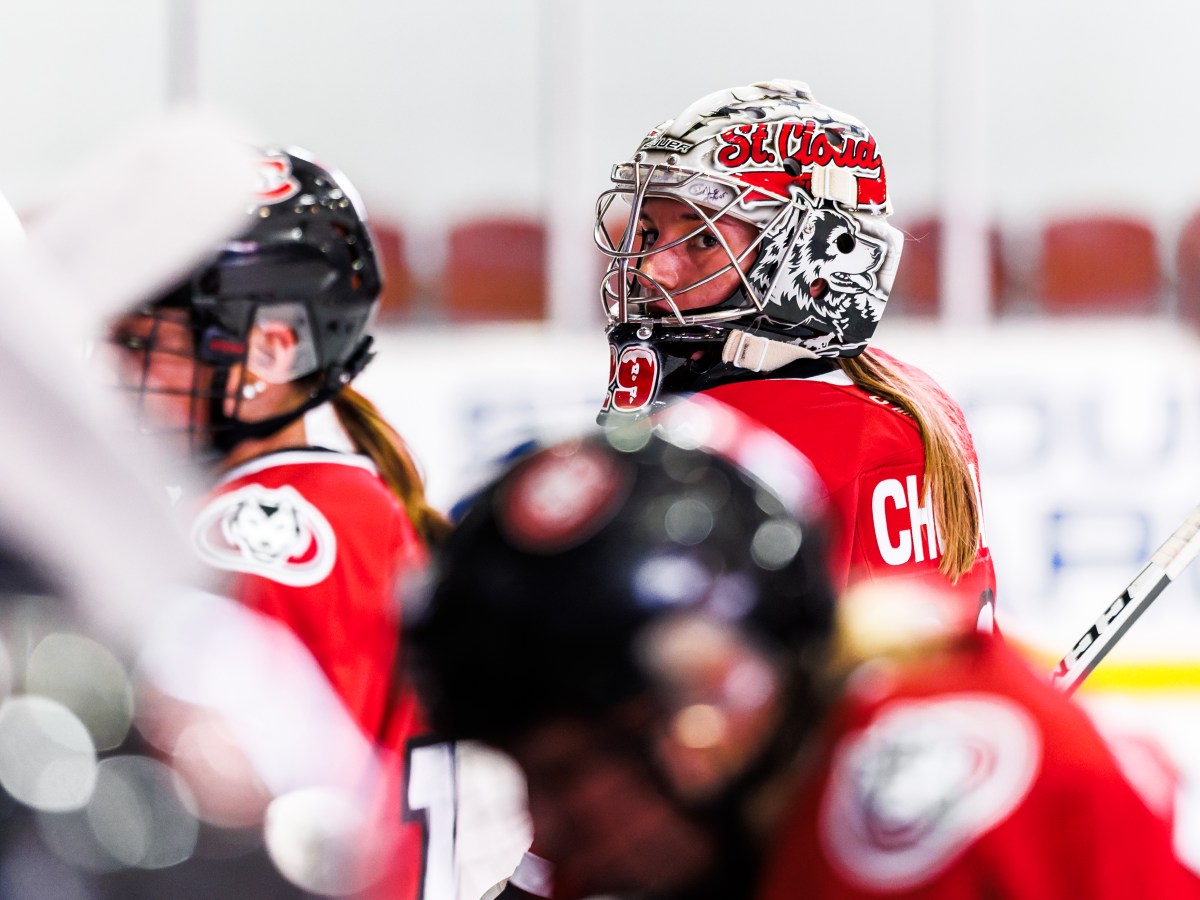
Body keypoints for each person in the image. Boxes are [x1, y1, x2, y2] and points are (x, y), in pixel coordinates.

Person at [405, 396, 1200, 900]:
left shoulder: (918, 806)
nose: (546, 828)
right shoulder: (703, 817)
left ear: (708, 701)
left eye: (564, 774)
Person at [108, 146, 451, 899]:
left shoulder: (264, 535)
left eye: (148, 342)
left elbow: (256, 832)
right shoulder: (342, 506)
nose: (122, 371)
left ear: (271, 349)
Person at [594, 78, 995, 628]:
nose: (648, 269)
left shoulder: (863, 438)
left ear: (815, 260)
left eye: (703, 239)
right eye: (647, 231)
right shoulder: (899, 402)